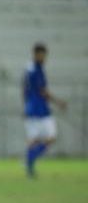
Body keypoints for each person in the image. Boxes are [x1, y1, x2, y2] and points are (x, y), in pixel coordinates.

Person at [23, 44, 66, 178]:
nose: (44, 58)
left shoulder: (28, 68)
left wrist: (25, 105)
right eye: (42, 55)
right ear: (36, 54)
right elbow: (42, 91)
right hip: (40, 109)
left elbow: (24, 89)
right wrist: (58, 102)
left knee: (34, 140)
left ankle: (29, 162)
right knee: (50, 137)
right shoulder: (36, 70)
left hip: (32, 108)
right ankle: (30, 160)